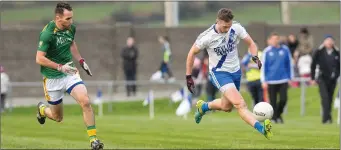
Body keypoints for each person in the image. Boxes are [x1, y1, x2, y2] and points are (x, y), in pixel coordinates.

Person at [185, 8, 272, 139]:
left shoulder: (236, 27)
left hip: (235, 72)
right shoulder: (207, 37)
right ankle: (262, 128)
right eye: (225, 26)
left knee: (226, 107)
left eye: (229, 26)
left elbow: (251, 43)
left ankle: (203, 107)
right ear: (218, 21)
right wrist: (188, 76)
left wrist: (255, 57)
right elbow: (191, 53)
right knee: (240, 104)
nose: (227, 29)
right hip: (219, 73)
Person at [35, 2, 104, 150]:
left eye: (72, 18)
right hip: (52, 78)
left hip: (70, 73)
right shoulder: (47, 33)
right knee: (57, 117)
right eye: (68, 19)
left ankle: (94, 140)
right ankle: (42, 110)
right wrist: (60, 67)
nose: (71, 22)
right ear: (58, 18)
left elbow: (71, 43)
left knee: (85, 101)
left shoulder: (71, 28)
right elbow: (39, 58)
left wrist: (81, 61)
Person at [261, 33, 293, 124]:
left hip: (283, 79)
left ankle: (278, 114)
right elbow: (263, 67)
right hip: (271, 80)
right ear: (270, 40)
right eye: (273, 39)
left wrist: (290, 77)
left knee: (283, 99)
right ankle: (274, 118)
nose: (275, 41)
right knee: (273, 101)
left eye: (276, 39)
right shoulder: (266, 51)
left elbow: (289, 64)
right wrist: (263, 80)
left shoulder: (285, 50)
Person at [311, 35, 340, 124]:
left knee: (330, 98)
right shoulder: (319, 52)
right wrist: (312, 78)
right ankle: (325, 118)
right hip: (322, 78)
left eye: (331, 41)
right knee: (325, 98)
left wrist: (336, 75)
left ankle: (328, 117)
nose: (329, 43)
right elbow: (313, 65)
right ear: (324, 42)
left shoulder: (337, 52)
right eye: (327, 41)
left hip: (333, 79)